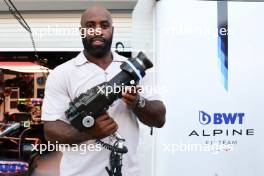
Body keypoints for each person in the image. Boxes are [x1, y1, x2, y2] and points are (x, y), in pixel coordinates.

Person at [41, 5, 166, 176]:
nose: (97, 31)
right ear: (82, 31)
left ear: (112, 30)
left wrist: (138, 102)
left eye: (104, 26)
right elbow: (51, 131)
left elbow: (159, 118)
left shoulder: (134, 70)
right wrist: (89, 132)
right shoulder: (62, 73)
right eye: (90, 26)